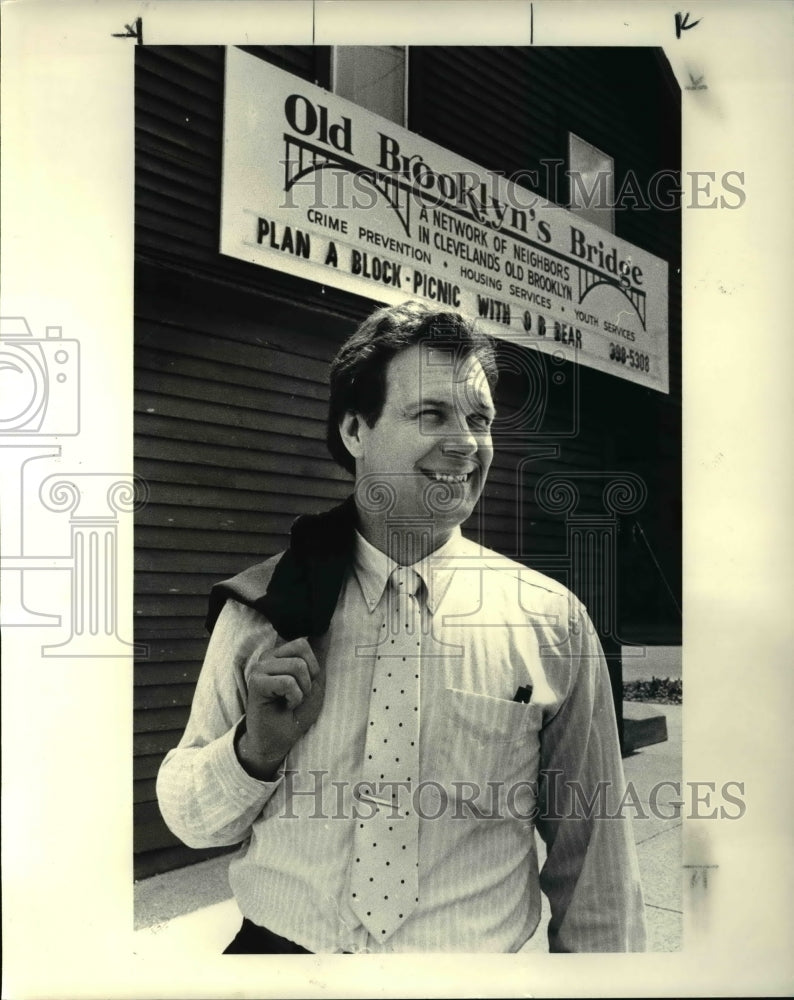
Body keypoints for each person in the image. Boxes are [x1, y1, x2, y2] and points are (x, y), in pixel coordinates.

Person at [156, 299, 646, 953]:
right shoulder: (270, 608)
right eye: (432, 414)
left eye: (480, 419)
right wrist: (256, 751)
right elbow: (193, 821)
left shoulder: (551, 623)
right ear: (356, 430)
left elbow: (597, 872)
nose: (466, 443)